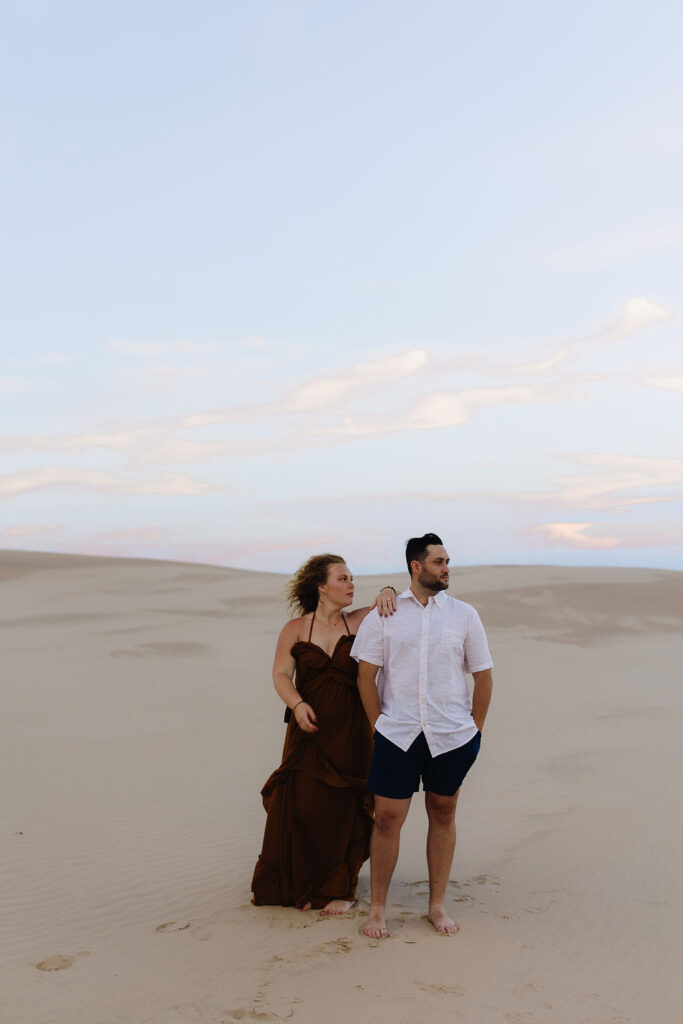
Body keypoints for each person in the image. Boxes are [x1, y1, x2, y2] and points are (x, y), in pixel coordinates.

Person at [351, 533, 493, 938]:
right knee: (387, 820)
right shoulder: (385, 613)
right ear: (417, 567)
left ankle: (436, 905)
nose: (447, 568)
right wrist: (378, 724)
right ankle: (377, 909)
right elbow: (365, 675)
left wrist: (475, 731)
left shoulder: (465, 615)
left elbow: (483, 677)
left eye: (447, 561)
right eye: (438, 562)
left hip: (452, 735)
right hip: (398, 732)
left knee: (443, 812)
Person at [251, 554, 396, 914]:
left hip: (352, 730)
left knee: (345, 806)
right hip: (309, 730)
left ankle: (340, 887)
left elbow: (394, 602)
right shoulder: (296, 629)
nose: (351, 584)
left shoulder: (358, 621)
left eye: (351, 578)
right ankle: (297, 881)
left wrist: (389, 589)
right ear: (321, 586)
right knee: (302, 805)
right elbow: (281, 675)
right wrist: (297, 705)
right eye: (342, 578)